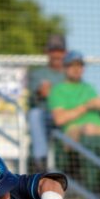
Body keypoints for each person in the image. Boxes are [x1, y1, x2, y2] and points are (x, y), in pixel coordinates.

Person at [48, 50, 100, 139]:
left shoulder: (89, 88)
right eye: (72, 65)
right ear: (64, 68)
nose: (76, 69)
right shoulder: (58, 90)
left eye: (80, 65)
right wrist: (86, 107)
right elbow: (59, 119)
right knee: (89, 128)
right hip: (75, 133)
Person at [26, 34, 68, 168]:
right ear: (47, 52)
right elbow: (31, 99)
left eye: (59, 51)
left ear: (65, 52)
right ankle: (41, 160)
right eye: (53, 50)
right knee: (35, 114)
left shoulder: (70, 73)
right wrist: (39, 92)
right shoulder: (38, 73)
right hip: (47, 117)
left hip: (67, 115)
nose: (56, 54)